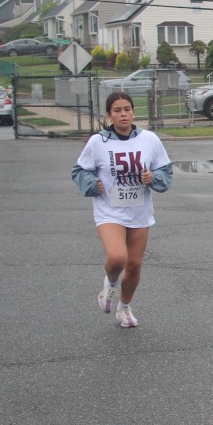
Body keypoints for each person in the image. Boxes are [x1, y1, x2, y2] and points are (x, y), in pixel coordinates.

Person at [71, 91, 173, 328]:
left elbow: (165, 170)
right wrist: (91, 183)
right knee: (118, 258)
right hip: (109, 211)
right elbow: (79, 170)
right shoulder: (98, 142)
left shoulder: (149, 139)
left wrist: (153, 177)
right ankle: (109, 283)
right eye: (117, 110)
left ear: (133, 112)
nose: (123, 114)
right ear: (110, 115)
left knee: (134, 266)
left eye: (127, 109)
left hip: (139, 211)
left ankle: (124, 307)